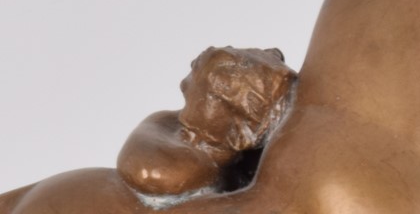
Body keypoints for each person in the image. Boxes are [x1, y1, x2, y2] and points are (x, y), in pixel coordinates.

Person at [117, 46, 295, 198]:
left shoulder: (172, 156)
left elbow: (151, 171)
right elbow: (148, 172)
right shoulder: (161, 136)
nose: (183, 84)